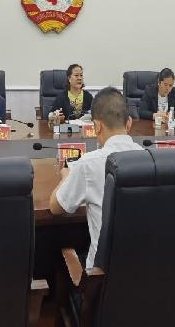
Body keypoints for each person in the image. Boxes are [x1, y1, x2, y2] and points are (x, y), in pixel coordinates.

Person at [49, 87, 143, 268]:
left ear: (97, 126)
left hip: (101, 277)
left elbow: (55, 207)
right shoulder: (148, 158)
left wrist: (65, 176)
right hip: (142, 270)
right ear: (129, 123)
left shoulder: (88, 163)